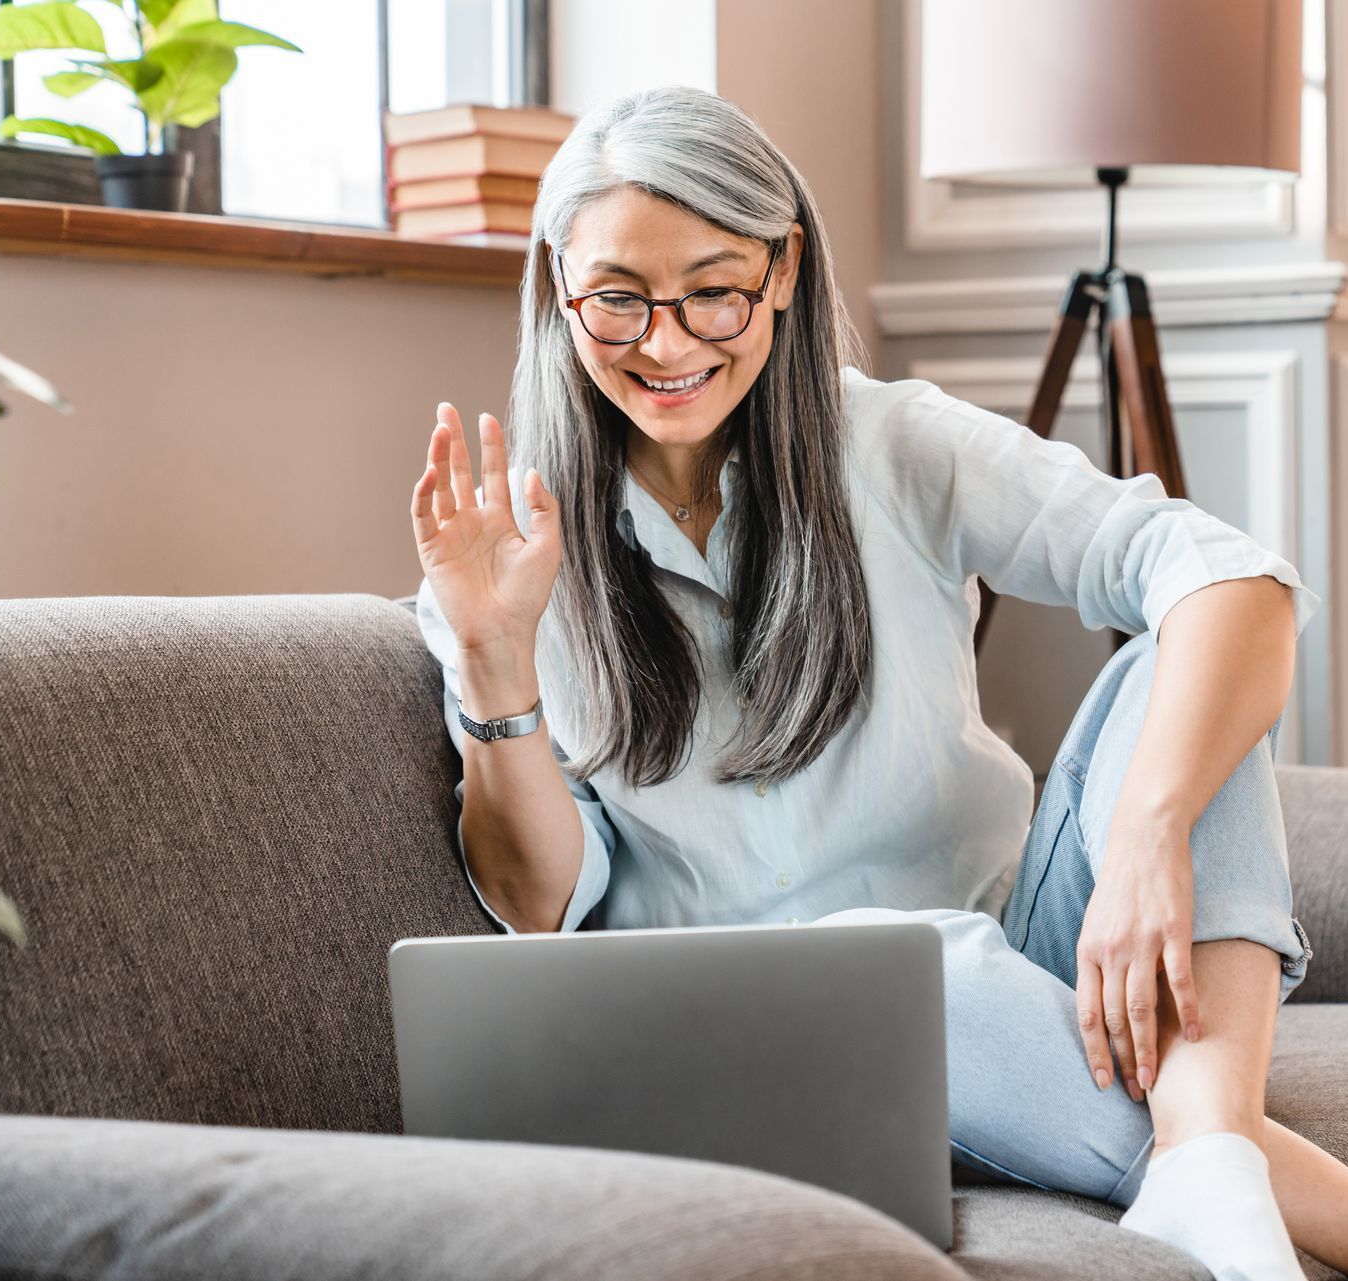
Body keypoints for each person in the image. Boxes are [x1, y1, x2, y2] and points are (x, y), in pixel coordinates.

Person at [409, 84, 1344, 1280]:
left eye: (714, 290)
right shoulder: (512, 544)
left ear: (785, 268)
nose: (668, 342)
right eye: (619, 299)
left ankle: (1210, 1160)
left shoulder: (893, 444)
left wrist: (1153, 832)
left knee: (1187, 656)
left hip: (1034, 967)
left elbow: (1230, 579)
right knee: (911, 968)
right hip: (769, 1040)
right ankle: (1214, 1159)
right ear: (558, 286)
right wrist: (495, 655)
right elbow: (538, 902)